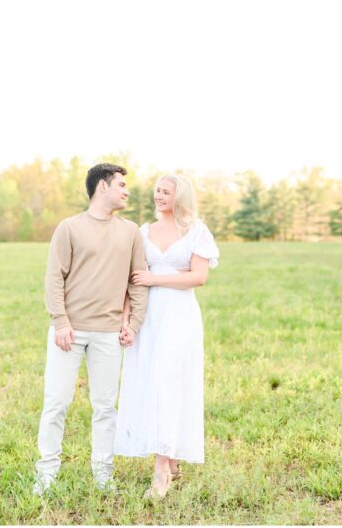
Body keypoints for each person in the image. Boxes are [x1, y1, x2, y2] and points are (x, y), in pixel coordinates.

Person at [33, 163, 149, 495]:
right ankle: (47, 473)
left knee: (105, 407)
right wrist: (61, 322)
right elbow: (54, 277)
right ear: (102, 186)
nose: (127, 191)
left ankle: (103, 474)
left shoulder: (131, 232)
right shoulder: (69, 228)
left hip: (109, 333)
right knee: (56, 403)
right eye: (122, 185)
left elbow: (137, 281)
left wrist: (133, 324)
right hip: (68, 332)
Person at [114, 174, 218, 498]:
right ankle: (169, 457)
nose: (159, 196)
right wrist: (128, 318)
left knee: (168, 381)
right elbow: (133, 278)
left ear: (179, 196)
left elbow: (198, 277)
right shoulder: (143, 232)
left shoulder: (196, 231)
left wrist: (155, 278)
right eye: (157, 191)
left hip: (179, 316)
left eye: (166, 192)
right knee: (151, 381)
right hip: (150, 317)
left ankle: (161, 470)